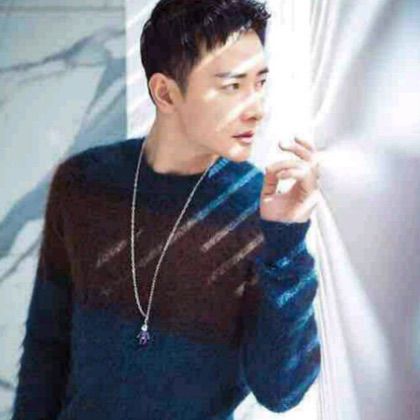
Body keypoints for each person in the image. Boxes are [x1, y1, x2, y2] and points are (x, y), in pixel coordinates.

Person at [12, 0, 321, 419]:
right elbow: (46, 349)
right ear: (165, 93)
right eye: (233, 86)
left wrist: (286, 242)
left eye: (259, 83)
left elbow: (281, 390)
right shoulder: (83, 184)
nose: (257, 108)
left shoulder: (257, 207)